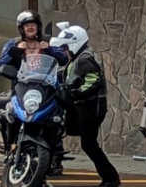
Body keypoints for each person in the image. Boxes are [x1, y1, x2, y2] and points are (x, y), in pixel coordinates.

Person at [0, 10, 69, 174]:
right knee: (8, 113)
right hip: (22, 87)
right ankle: (11, 147)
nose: (30, 27)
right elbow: (1, 63)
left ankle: (56, 154)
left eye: (33, 24)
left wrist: (51, 49)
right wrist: (15, 51)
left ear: (38, 27)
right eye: (26, 25)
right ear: (21, 28)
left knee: (56, 116)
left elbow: (64, 59)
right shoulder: (13, 43)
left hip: (46, 88)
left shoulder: (48, 42)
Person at [50, 24, 121, 187]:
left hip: (90, 107)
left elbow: (93, 80)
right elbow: (69, 74)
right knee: (83, 141)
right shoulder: (79, 57)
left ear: (74, 44)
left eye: (65, 47)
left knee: (88, 144)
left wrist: (75, 92)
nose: (64, 51)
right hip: (84, 106)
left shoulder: (84, 59)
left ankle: (111, 178)